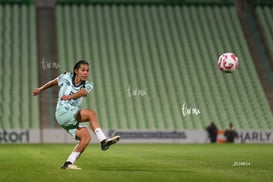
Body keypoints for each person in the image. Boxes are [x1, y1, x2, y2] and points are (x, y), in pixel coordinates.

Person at [32, 60, 120, 170]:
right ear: (76, 71)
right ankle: (103, 141)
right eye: (83, 70)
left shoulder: (88, 85)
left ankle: (68, 163)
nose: (85, 73)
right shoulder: (66, 76)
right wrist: (40, 89)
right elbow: (53, 82)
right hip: (63, 112)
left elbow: (83, 92)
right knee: (91, 114)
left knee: (86, 137)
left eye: (87, 70)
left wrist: (69, 97)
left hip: (71, 117)